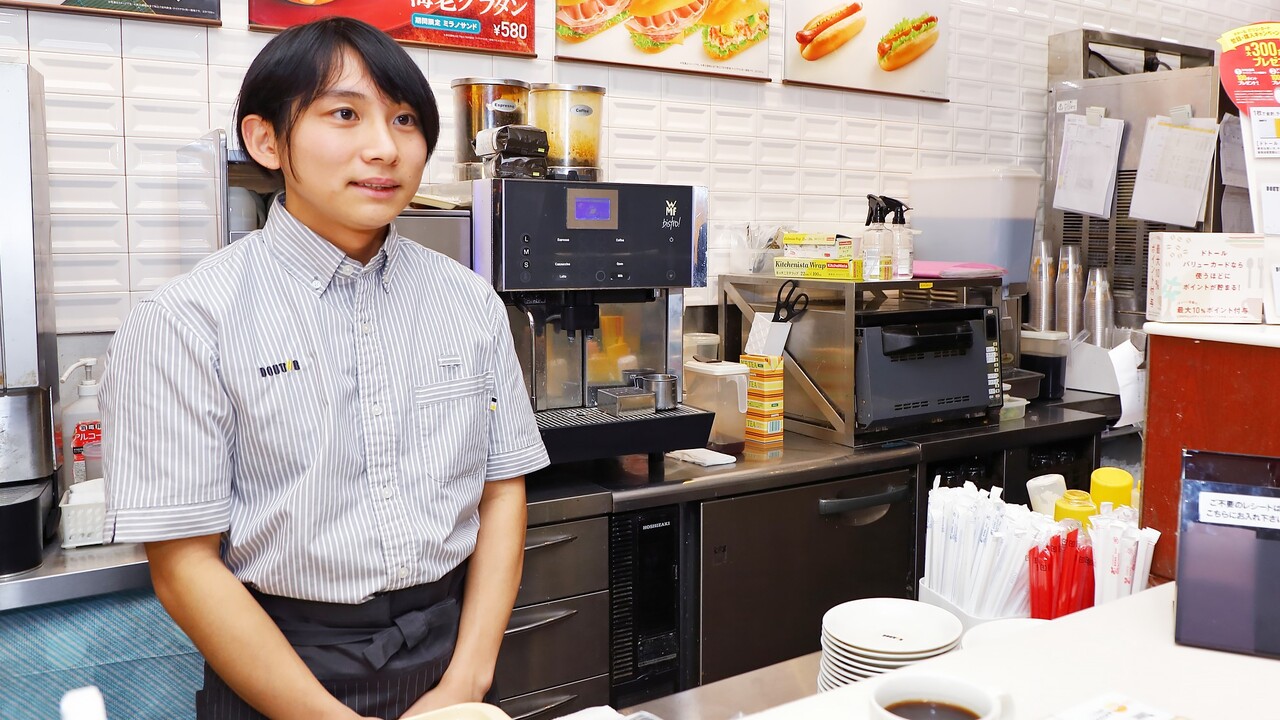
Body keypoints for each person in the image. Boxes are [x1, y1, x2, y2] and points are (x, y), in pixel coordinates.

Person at [99, 17, 549, 720]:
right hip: (280, 671)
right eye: (344, 113)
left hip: (450, 661)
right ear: (266, 141)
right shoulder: (187, 319)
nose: (384, 147)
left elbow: (501, 491)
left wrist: (465, 683)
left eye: (404, 119)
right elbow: (184, 567)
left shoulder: (467, 298)